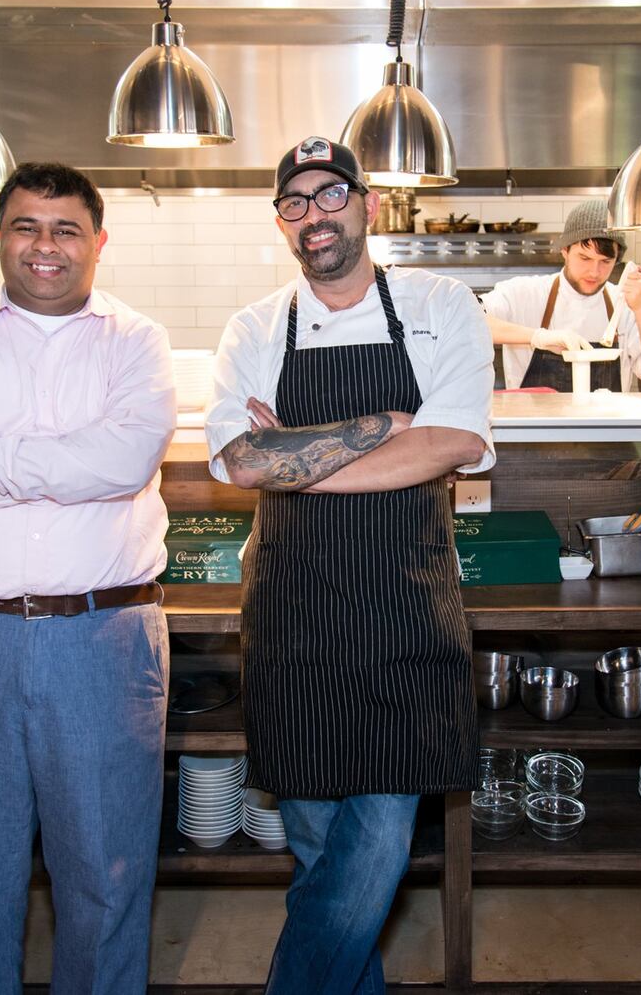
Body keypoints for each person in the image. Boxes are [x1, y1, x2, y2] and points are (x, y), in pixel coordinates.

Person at [205, 136, 492, 994]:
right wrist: (387, 428)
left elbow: (458, 441)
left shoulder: (443, 304)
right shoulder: (255, 326)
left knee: (374, 848)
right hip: (294, 615)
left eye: (331, 195)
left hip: (404, 606)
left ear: (368, 205)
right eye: (294, 202)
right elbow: (241, 463)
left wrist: (301, 458)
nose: (314, 215)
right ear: (281, 224)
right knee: (319, 852)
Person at [0, 162, 177, 994]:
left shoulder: (137, 340)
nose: (45, 246)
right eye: (26, 226)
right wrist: (62, 460)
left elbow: (123, 462)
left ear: (97, 242)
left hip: (104, 634)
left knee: (106, 872)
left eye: (65, 229)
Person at [479, 200, 641, 391]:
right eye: (585, 258)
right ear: (565, 251)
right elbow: (466, 321)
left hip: (604, 425)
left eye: (606, 261)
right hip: (536, 424)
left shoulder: (625, 305)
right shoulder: (524, 293)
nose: (594, 272)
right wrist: (537, 337)